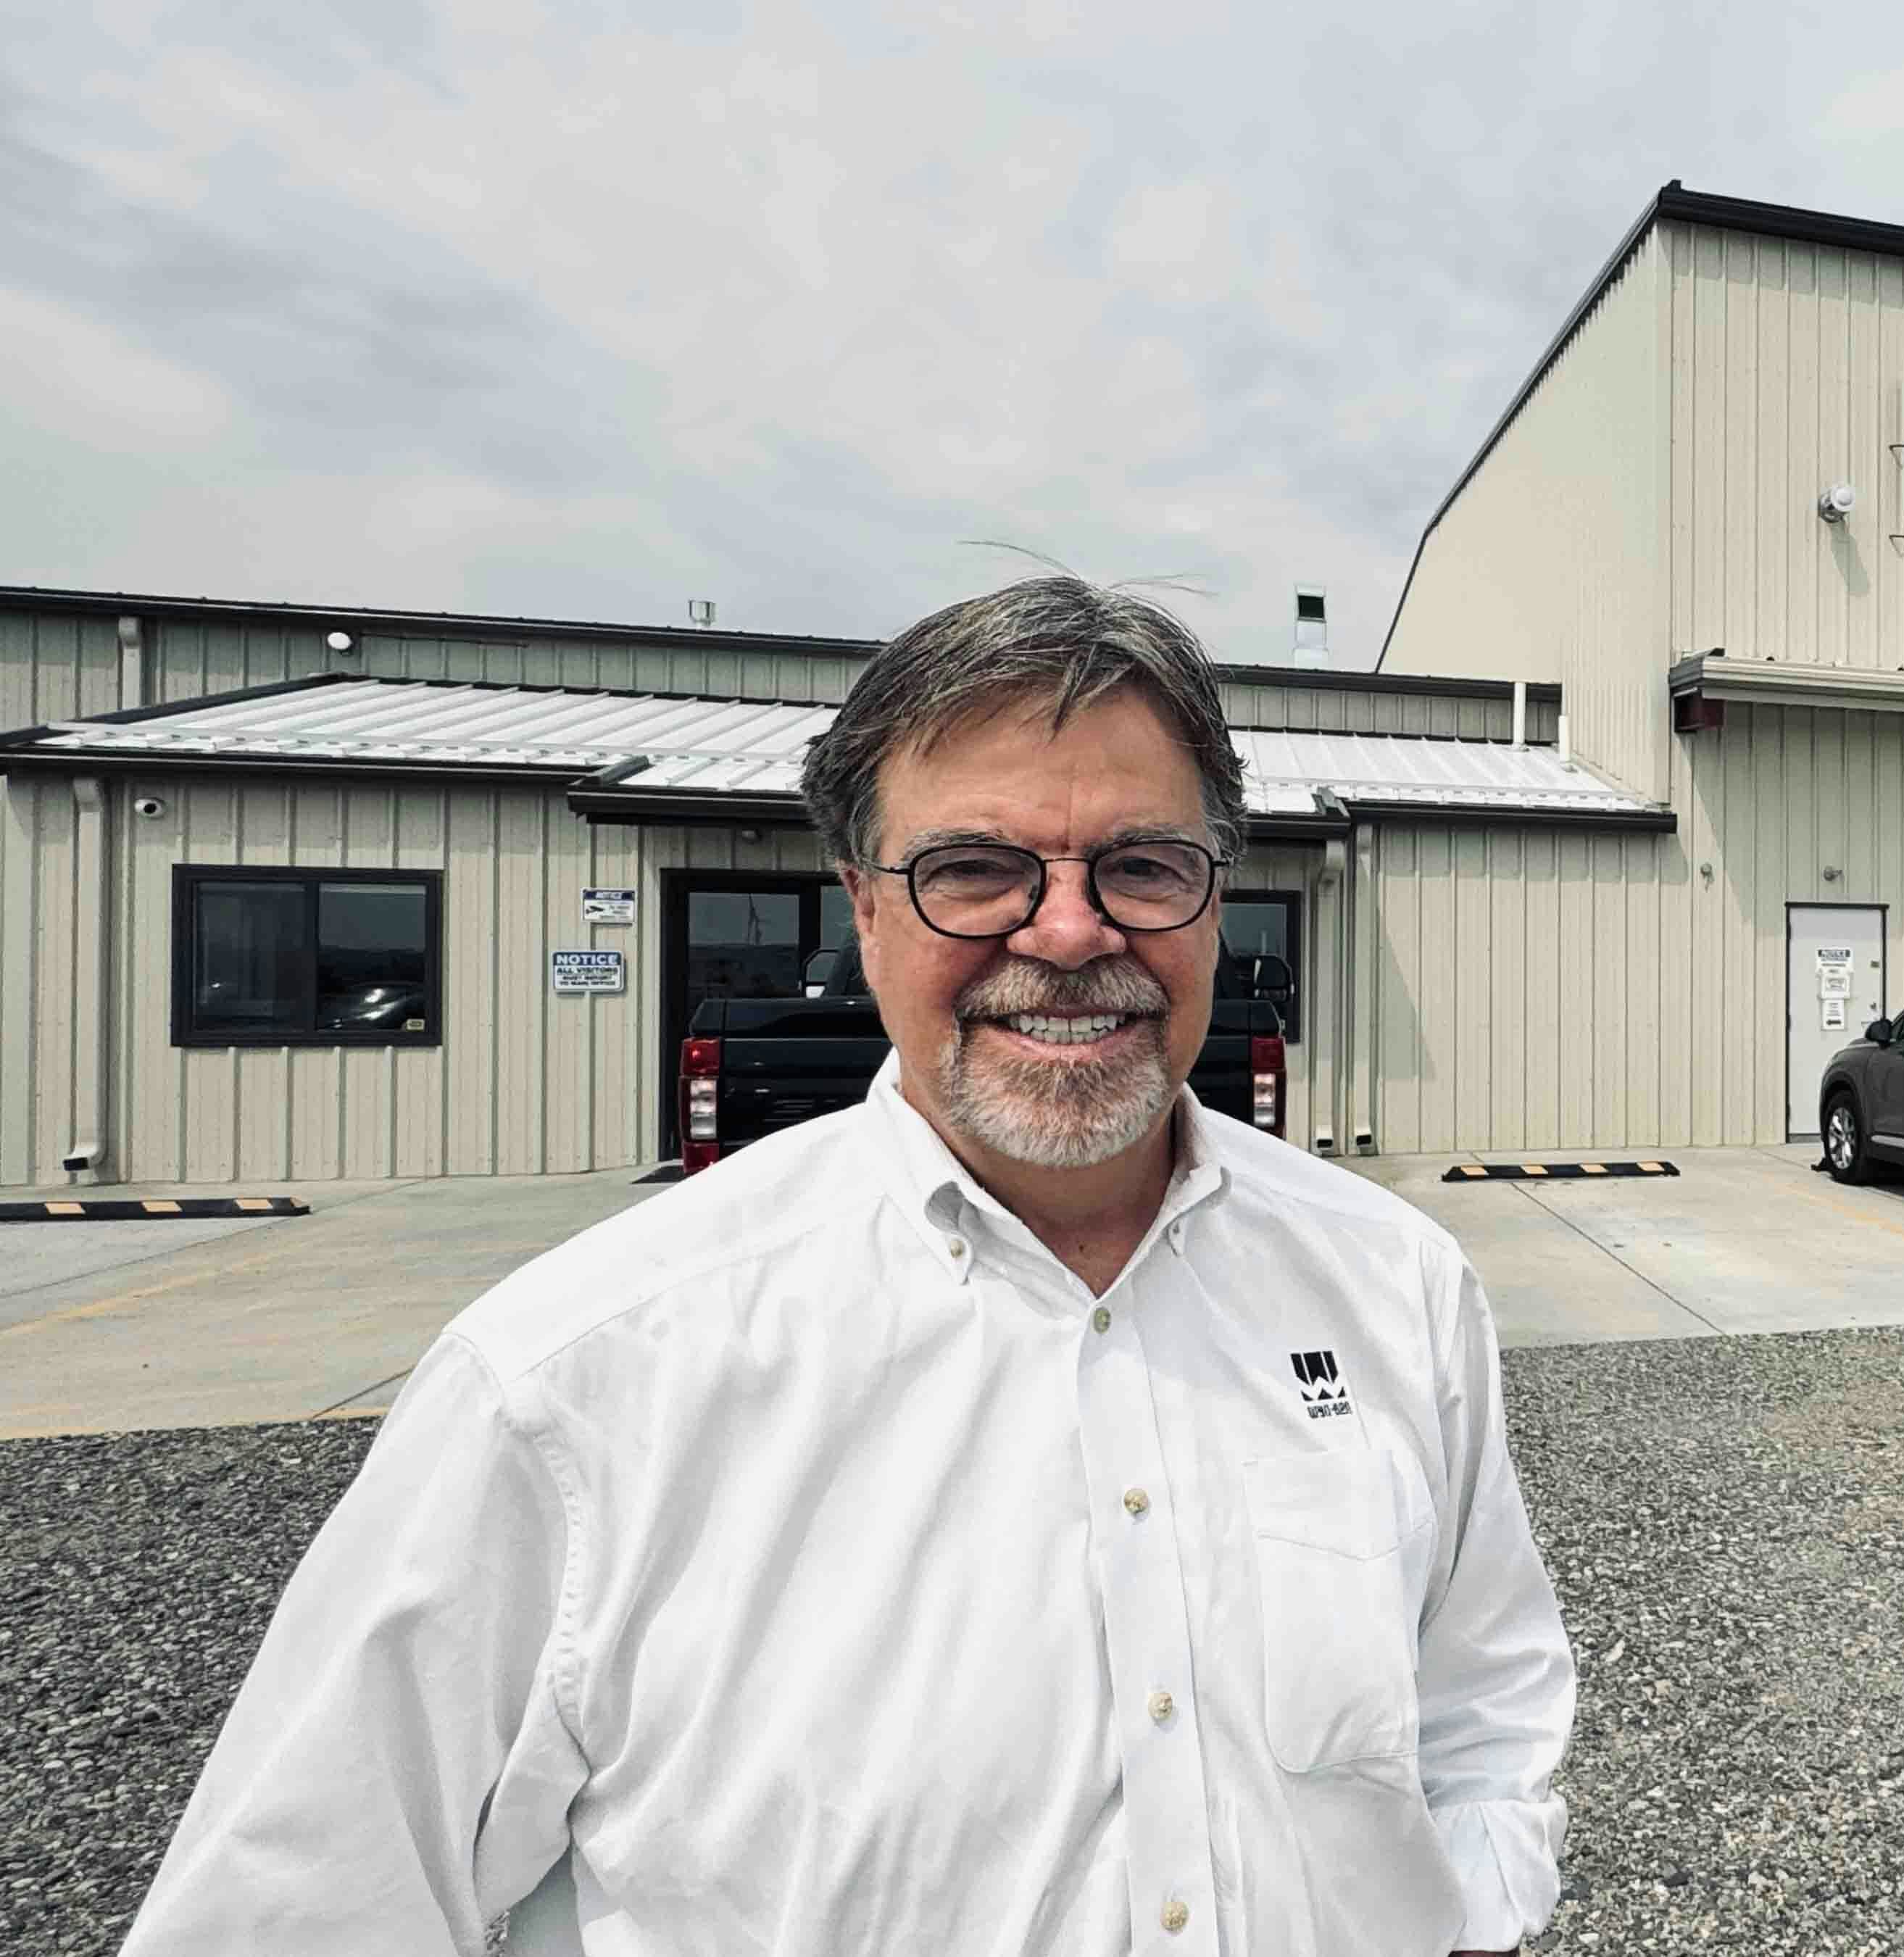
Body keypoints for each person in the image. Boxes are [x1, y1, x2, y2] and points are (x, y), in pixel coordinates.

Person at [119, 576, 1576, 1956]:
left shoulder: (1395, 1289)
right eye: (975, 870)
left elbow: (1481, 1703)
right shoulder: (572, 1387)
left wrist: (1480, 1910)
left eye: (1139, 865)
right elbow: (299, 1905)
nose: (1068, 930)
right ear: (863, 905)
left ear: (1214, 899)